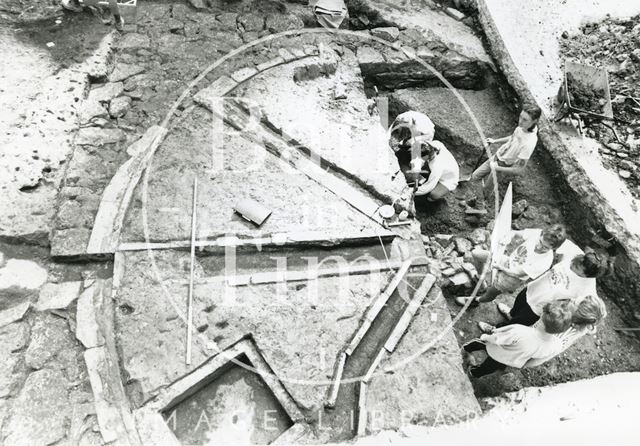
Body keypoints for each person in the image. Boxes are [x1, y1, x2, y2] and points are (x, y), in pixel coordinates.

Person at [478, 240, 610, 333]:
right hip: (531, 289)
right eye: (576, 262)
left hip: (539, 308)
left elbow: (596, 312)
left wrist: (590, 324)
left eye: (576, 268)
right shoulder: (574, 252)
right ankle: (510, 313)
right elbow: (554, 239)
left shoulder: (588, 288)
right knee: (518, 305)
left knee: (516, 324)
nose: (572, 265)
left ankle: (496, 330)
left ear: (588, 276)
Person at [454, 224, 566, 308]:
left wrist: (499, 268)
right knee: (476, 254)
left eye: (545, 248)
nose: (539, 247)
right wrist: (508, 236)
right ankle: (481, 279)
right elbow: (515, 233)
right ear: (541, 234)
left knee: (490, 293)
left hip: (512, 279)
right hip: (507, 261)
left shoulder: (545, 262)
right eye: (540, 242)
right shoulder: (537, 233)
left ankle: (475, 301)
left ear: (554, 248)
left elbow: (518, 273)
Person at [462, 300, 573, 378]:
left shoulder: (520, 331)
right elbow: (537, 361)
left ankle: (465, 349)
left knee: (480, 342)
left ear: (541, 320)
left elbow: (497, 339)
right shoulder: (556, 345)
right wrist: (524, 365)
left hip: (496, 349)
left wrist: (486, 337)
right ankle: (474, 373)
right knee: (489, 367)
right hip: (510, 360)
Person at [466, 104, 542, 214]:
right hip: (497, 156)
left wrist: (498, 168)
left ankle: (479, 209)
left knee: (487, 188)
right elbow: (512, 137)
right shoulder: (522, 127)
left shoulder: (528, 143)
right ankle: (479, 202)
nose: (520, 122)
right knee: (476, 176)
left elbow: (519, 170)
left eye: (525, 120)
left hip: (503, 165)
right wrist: (495, 141)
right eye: (520, 116)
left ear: (535, 121)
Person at [525, 294, 607, 367]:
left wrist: (527, 364)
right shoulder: (582, 323)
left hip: (533, 347)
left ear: (576, 315)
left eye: (574, 302)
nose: (572, 299)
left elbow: (545, 355)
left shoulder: (558, 335)